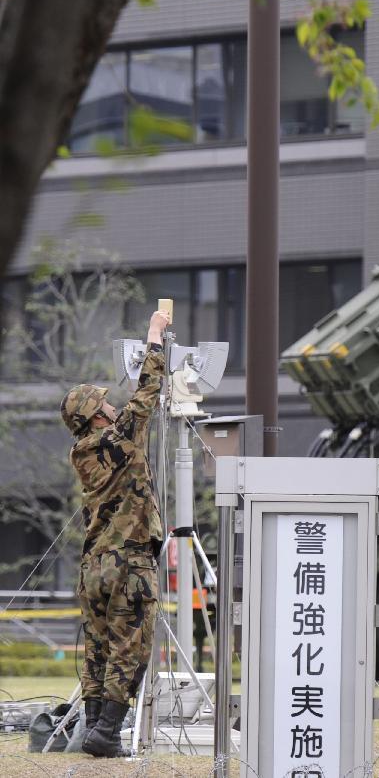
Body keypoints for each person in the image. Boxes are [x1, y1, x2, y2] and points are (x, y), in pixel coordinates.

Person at [60, 310, 169, 758]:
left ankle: (92, 728)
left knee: (97, 647)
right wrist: (155, 337)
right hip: (129, 562)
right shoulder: (119, 439)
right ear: (97, 417)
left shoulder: (81, 452)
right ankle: (107, 731)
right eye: (103, 403)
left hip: (94, 566)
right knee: (131, 646)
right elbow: (148, 393)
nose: (111, 404)